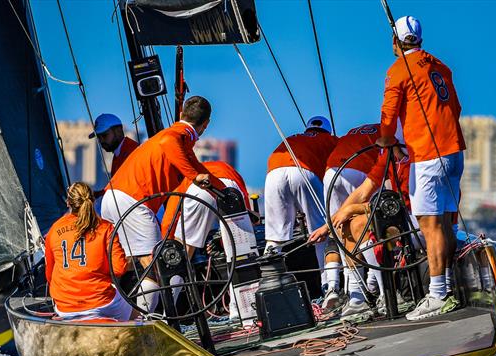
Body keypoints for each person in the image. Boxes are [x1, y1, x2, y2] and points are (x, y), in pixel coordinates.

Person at [376, 15, 465, 321]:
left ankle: (438, 295)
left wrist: (387, 142)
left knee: (430, 225)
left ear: (395, 42)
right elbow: (455, 107)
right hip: (454, 152)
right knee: (448, 222)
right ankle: (451, 287)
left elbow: (388, 116)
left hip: (428, 154)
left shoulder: (398, 70)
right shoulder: (440, 66)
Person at [100, 95, 215, 313]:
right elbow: (168, 144)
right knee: (161, 266)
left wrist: (222, 192)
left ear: (181, 114)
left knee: (130, 265)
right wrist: (193, 176)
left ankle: (127, 318)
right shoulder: (179, 135)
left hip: (113, 200)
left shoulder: (181, 144)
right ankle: (157, 322)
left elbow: (202, 171)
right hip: (133, 202)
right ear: (205, 124)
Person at [310, 155, 412, 319]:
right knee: (347, 224)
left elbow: (396, 204)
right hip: (399, 221)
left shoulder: (414, 161)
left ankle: (389, 294)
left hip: (414, 221)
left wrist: (351, 210)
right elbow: (361, 192)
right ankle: (357, 298)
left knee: (360, 223)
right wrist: (327, 227)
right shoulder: (387, 158)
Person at [45, 182, 132, 321]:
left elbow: (49, 273)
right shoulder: (105, 227)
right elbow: (119, 269)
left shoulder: (54, 229)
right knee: (134, 314)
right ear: (92, 199)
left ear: (68, 202)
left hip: (64, 306)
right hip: (101, 302)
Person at [264, 116, 338, 269]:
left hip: (274, 173)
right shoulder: (331, 140)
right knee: (321, 233)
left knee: (275, 238)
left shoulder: (294, 137)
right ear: (328, 131)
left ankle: (270, 281)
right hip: (304, 171)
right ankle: (329, 285)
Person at [160, 160, 247, 259]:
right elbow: (250, 216)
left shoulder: (183, 181)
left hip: (201, 188)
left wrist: (167, 247)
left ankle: (178, 273)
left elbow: (169, 222)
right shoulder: (227, 167)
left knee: (183, 250)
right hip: (231, 188)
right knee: (239, 244)